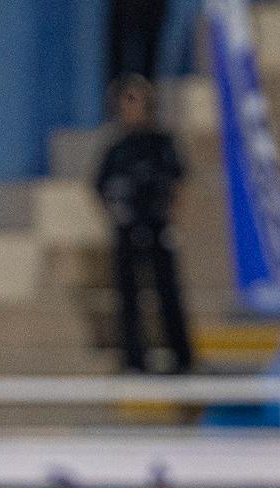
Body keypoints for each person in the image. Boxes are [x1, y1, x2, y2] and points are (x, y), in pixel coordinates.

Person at [96, 74, 191, 374]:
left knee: (167, 292)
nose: (130, 108)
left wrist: (171, 215)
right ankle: (135, 359)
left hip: (157, 226)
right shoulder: (117, 149)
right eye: (125, 102)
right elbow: (100, 186)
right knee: (128, 296)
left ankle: (182, 356)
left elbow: (179, 181)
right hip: (128, 229)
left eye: (136, 101)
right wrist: (117, 213)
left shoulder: (162, 143)